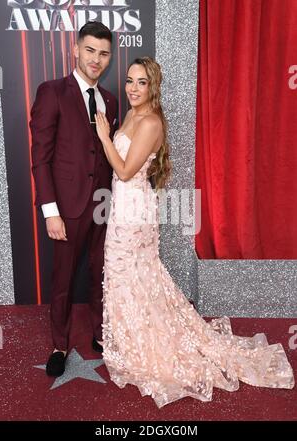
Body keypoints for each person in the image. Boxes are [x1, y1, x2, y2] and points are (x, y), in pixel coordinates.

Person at [95, 56, 295, 408]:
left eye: (141, 82)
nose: (133, 88)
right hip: (125, 208)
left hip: (133, 211)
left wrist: (102, 137)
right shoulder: (131, 114)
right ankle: (130, 339)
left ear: (152, 86)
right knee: (130, 275)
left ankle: (146, 344)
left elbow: (125, 171)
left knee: (131, 272)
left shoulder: (151, 122)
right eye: (129, 80)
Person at [30, 21, 117, 377]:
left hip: (103, 204)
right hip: (66, 208)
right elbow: (41, 157)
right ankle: (59, 344)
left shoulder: (110, 100)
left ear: (109, 57)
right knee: (63, 278)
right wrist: (51, 211)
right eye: (90, 51)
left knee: (100, 273)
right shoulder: (52, 91)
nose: (96, 60)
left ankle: (99, 332)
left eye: (103, 53)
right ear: (76, 50)